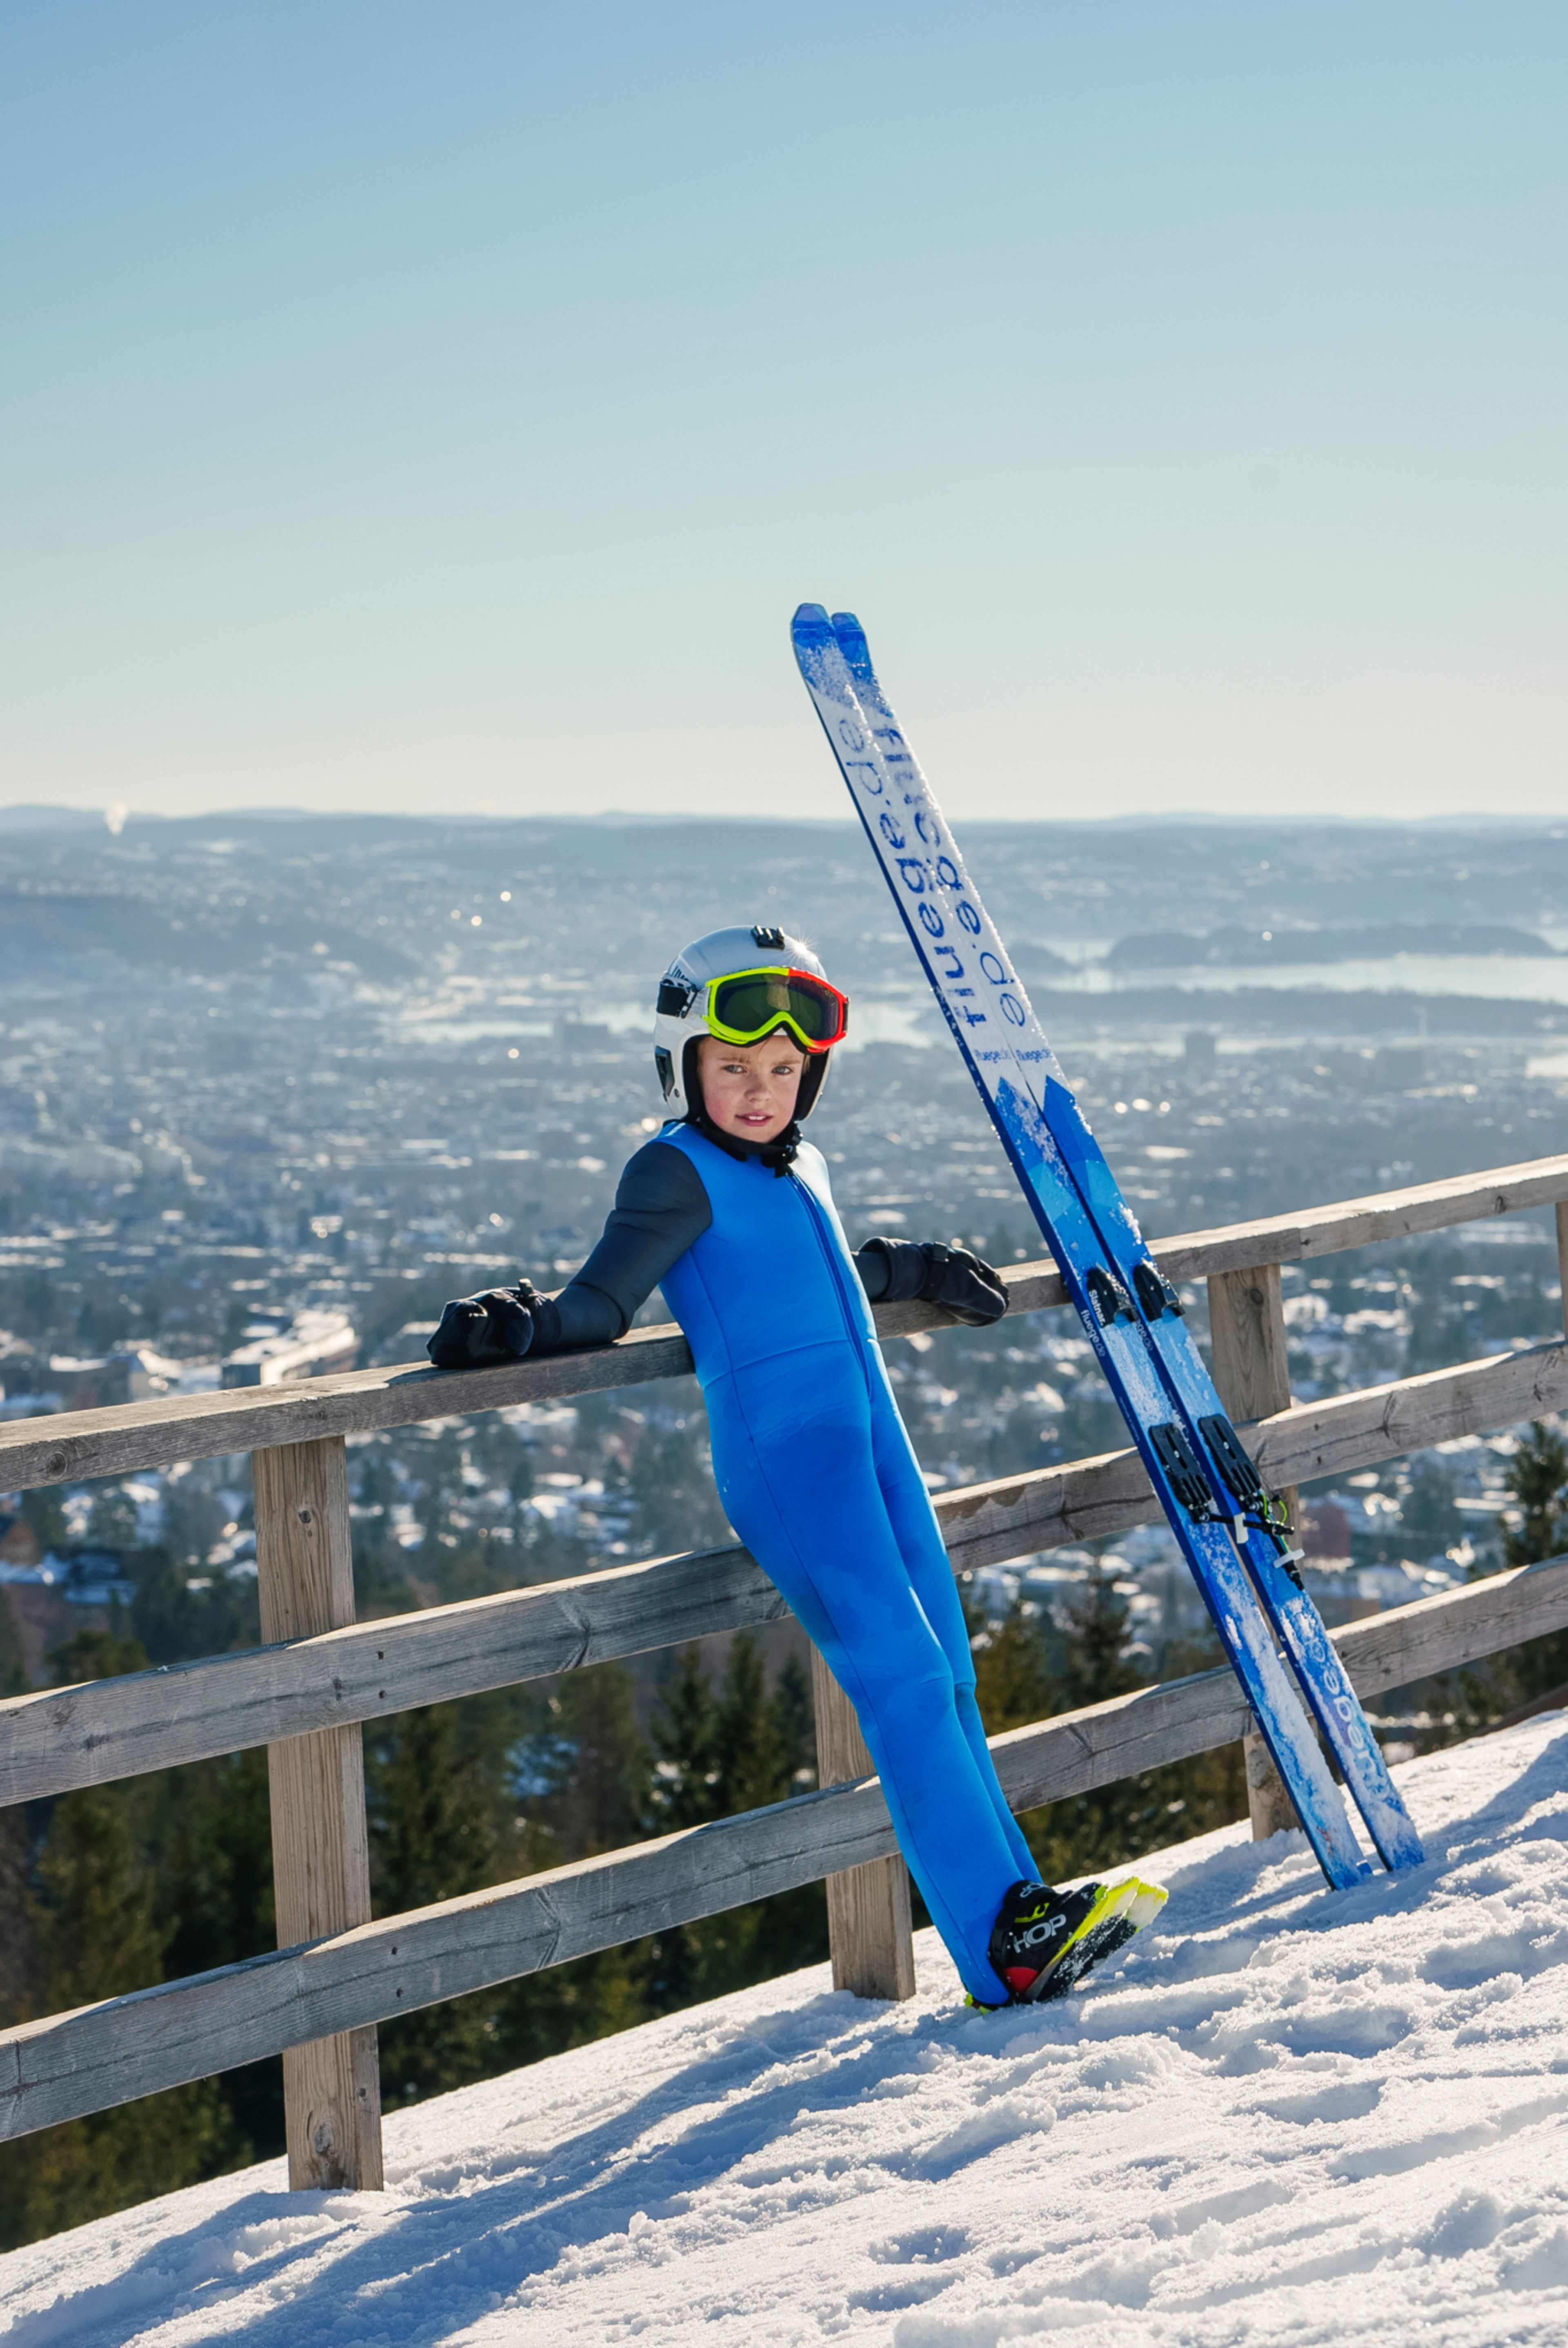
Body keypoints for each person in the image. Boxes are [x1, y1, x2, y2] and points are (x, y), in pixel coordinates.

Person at [430, 923, 1164, 2005]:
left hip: (874, 1441)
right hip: (792, 1461)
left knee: (950, 1674)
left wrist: (910, 1266)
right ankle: (1003, 1940)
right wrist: (515, 1325)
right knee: (902, 1678)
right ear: (684, 1065)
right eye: (734, 1069)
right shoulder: (671, 1170)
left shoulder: (803, 1162)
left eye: (784, 1070)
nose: (761, 1090)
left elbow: (810, 1267)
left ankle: (1020, 1917)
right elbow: (602, 1300)